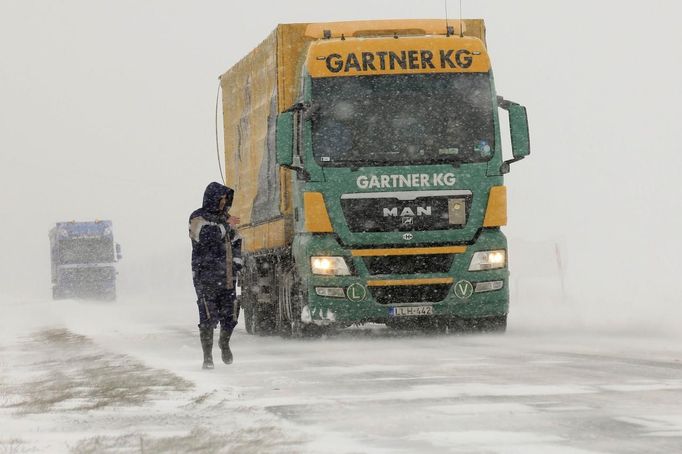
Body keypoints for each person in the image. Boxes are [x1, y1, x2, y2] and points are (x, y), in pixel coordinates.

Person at [189, 182, 242, 369]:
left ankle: (225, 342)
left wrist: (237, 262)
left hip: (227, 276)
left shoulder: (226, 219)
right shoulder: (198, 217)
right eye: (221, 199)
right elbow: (206, 238)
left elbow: (237, 240)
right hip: (206, 277)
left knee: (231, 315)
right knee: (208, 317)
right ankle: (207, 357)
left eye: (226, 200)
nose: (224, 203)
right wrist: (225, 226)